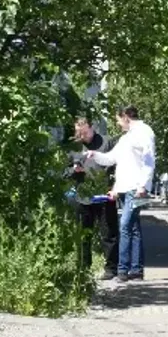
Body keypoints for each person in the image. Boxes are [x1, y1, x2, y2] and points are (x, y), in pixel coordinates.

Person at [85, 105, 156, 282]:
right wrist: (94, 154)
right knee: (133, 227)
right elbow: (111, 158)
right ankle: (137, 270)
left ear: (125, 117)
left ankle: (123, 270)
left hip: (136, 188)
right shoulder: (126, 138)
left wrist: (143, 186)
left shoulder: (144, 132)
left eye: (118, 120)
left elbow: (149, 160)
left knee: (124, 225)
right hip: (125, 188)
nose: (118, 124)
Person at [67, 117, 120, 279]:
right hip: (83, 196)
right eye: (79, 133)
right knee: (84, 235)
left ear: (92, 127)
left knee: (109, 233)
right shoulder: (75, 146)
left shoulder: (106, 142)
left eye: (85, 132)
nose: (83, 136)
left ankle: (111, 269)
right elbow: (65, 170)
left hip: (104, 195)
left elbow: (118, 165)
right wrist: (73, 171)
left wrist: (115, 187)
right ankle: (84, 267)